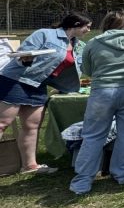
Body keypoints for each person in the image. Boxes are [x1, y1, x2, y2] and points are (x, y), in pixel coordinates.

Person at [69, 12, 124, 195]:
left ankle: (83, 180)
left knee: (93, 135)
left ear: (106, 24)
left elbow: (87, 69)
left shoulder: (94, 42)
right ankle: (123, 174)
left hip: (102, 92)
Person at [0, 12, 92, 174]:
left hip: (38, 84)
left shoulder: (78, 46)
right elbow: (23, 53)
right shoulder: (44, 34)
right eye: (87, 27)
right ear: (77, 25)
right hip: (17, 79)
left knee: (32, 125)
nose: (89, 30)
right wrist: (25, 58)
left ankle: (29, 166)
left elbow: (76, 70)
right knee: (3, 123)